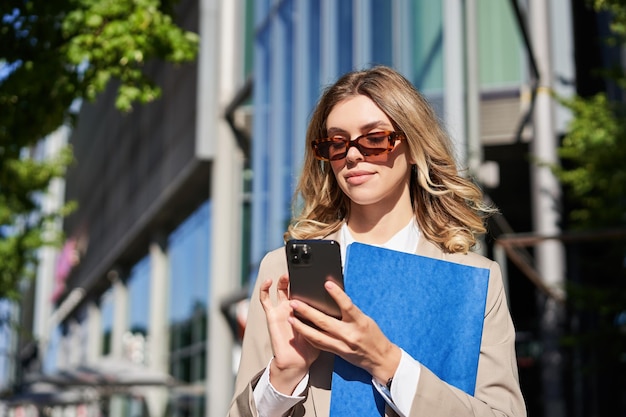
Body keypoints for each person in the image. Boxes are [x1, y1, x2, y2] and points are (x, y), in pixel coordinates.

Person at [228, 66, 526, 417]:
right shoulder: (282, 270)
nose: (353, 155)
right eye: (337, 143)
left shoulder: (473, 278)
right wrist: (284, 378)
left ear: (415, 147)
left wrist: (387, 362)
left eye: (374, 138)